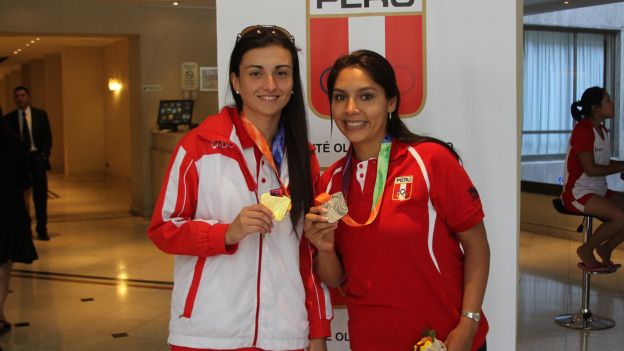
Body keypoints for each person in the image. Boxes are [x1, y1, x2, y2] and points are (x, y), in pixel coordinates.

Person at [148, 25, 331, 351]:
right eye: (256, 73)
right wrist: (226, 233)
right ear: (236, 81)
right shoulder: (198, 147)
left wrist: (316, 331)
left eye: (282, 73)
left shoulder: (304, 157)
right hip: (207, 332)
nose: (270, 85)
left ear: (292, 83)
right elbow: (163, 229)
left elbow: (309, 252)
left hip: (285, 333)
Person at [304, 50, 490, 351]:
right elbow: (337, 276)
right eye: (340, 98)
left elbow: (477, 246)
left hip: (443, 341)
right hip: (371, 341)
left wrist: (468, 323)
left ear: (391, 102)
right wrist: (325, 249)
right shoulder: (334, 181)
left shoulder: (429, 161)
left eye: (366, 97)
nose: (351, 109)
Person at [561, 86, 624, 273]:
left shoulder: (602, 130)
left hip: (599, 191)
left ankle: (605, 248)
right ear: (596, 108)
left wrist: (619, 166)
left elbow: (603, 162)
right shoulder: (583, 130)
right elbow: (591, 168)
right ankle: (586, 249)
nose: (613, 104)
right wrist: (621, 167)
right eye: (608, 101)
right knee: (620, 218)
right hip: (578, 193)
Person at [0, 116, 38, 335]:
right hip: (10, 209)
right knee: (5, 266)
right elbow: (26, 183)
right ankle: (0, 313)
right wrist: (25, 208)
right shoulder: (15, 145)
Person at [4, 86, 53, 241]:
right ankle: (25, 229)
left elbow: (48, 137)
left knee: (40, 196)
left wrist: (43, 156)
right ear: (14, 99)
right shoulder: (9, 118)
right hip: (20, 161)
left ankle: (42, 228)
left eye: (23, 95)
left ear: (29, 97)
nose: (20, 98)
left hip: (37, 158)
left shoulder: (40, 115)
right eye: (17, 96)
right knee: (22, 198)